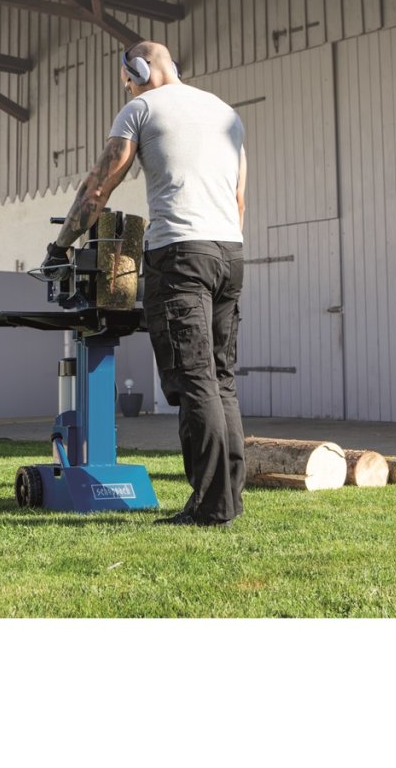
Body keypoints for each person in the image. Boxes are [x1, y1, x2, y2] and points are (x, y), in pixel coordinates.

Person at [42, 40, 248, 527]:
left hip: (180, 257)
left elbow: (99, 186)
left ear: (139, 69)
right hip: (230, 253)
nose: (127, 88)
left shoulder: (141, 109)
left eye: (127, 80)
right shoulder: (226, 113)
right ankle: (228, 498)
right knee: (220, 379)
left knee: (194, 379)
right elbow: (239, 198)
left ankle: (212, 507)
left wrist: (60, 247)